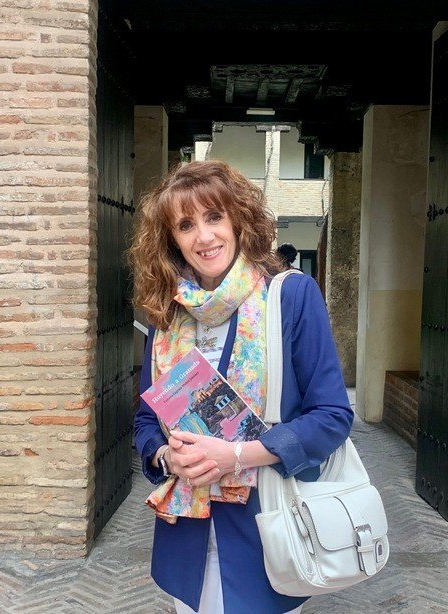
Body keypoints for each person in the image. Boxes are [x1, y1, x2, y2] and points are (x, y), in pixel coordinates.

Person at [129, 160, 353, 614]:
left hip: (267, 527)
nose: (204, 237)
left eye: (214, 217)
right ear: (171, 239)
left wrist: (235, 456)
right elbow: (146, 420)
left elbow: (332, 417)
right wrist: (166, 455)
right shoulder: (168, 313)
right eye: (186, 225)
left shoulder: (290, 296)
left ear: (238, 220)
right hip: (188, 536)